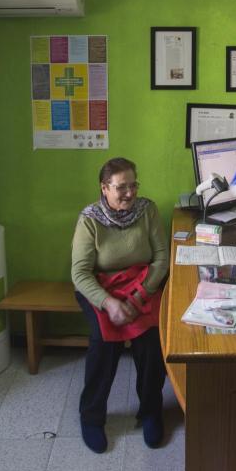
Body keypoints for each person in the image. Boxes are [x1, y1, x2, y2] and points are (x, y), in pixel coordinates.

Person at [71, 157, 170, 453]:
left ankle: (151, 411)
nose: (129, 193)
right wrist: (109, 303)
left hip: (142, 282)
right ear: (104, 188)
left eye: (133, 185)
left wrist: (140, 294)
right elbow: (79, 273)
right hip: (101, 287)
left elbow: (162, 259)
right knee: (104, 344)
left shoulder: (147, 210)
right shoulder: (90, 219)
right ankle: (91, 416)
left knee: (151, 343)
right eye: (121, 187)